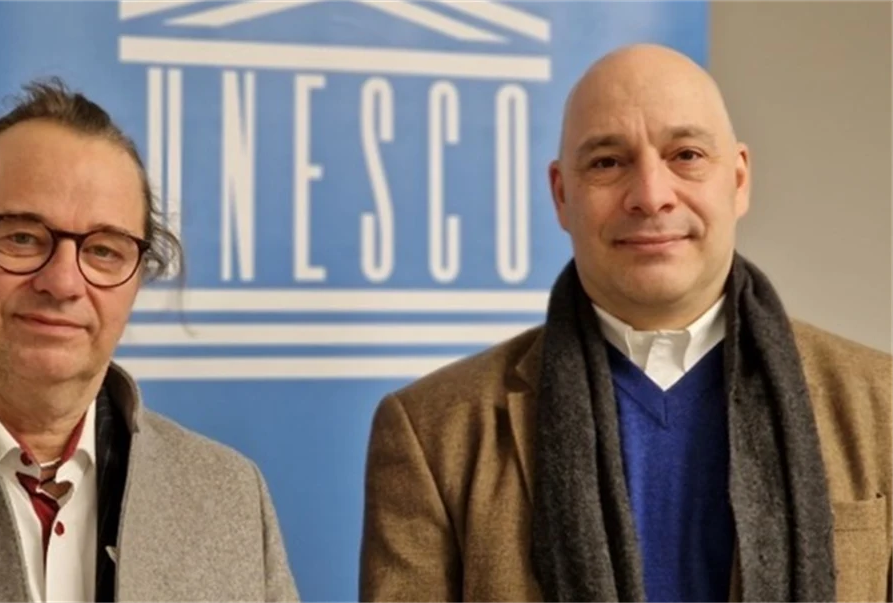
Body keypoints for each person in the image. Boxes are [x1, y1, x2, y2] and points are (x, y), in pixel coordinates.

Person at [359, 44, 891, 603]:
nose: (651, 196)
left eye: (685, 155)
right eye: (608, 163)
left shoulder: (883, 409)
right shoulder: (432, 434)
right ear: (563, 195)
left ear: (737, 181)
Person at [0, 79, 300, 602]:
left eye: (104, 250)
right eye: (23, 237)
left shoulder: (229, 498)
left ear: (135, 281)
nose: (64, 282)